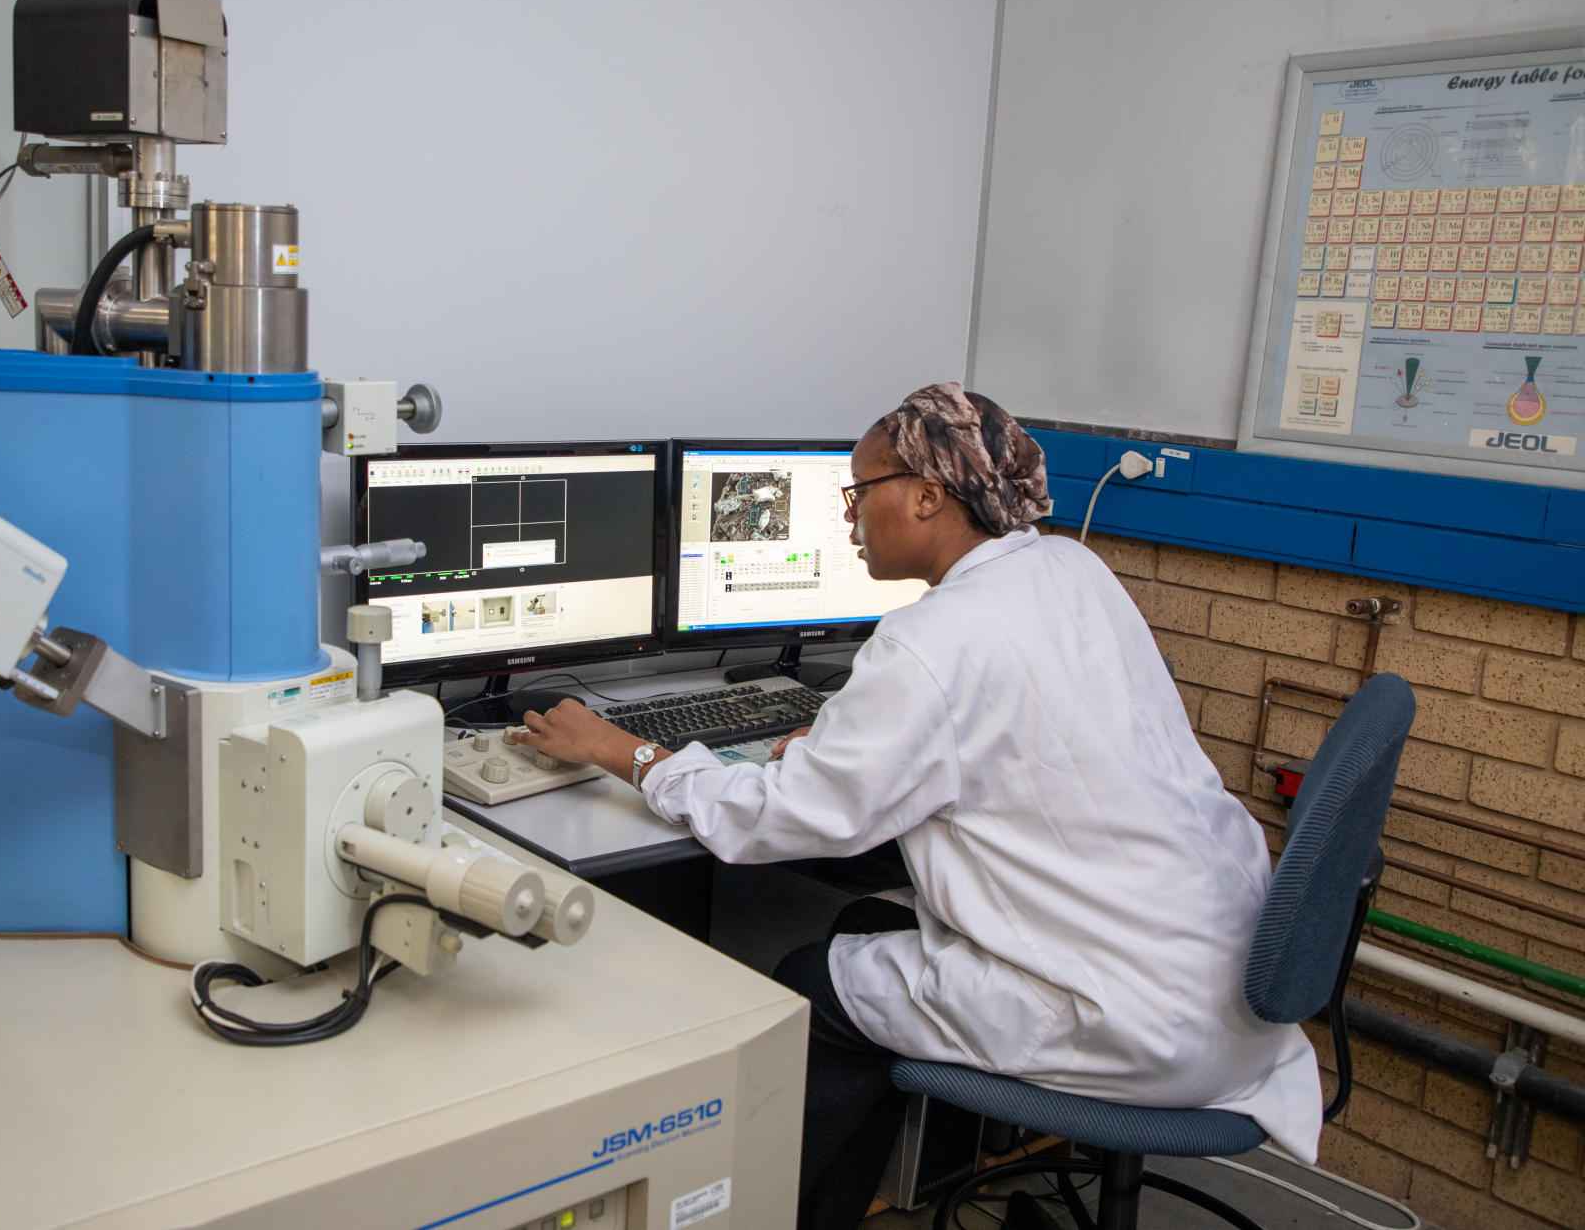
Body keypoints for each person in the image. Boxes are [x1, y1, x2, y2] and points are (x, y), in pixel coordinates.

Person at [509, 383, 1321, 1230]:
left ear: (928, 496)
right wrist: (855, 746)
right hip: (1225, 982)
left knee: (810, 985)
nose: (850, 516)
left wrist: (624, 751)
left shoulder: (931, 641)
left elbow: (776, 820)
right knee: (865, 921)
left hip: (1127, 1015)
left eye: (859, 491)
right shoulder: (1071, 569)